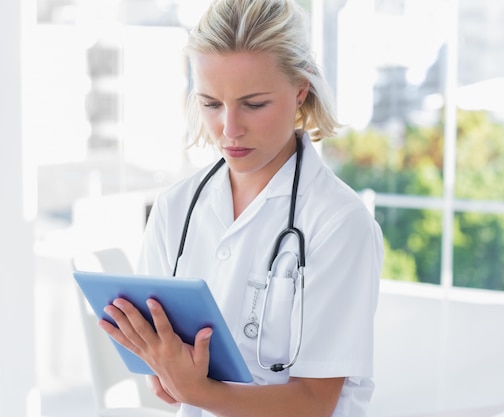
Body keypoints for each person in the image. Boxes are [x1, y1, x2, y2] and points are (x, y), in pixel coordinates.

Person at [98, 0, 384, 416]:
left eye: (253, 104)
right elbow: (161, 372)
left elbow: (314, 402)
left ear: (300, 90)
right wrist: (161, 367)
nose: (229, 129)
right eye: (211, 104)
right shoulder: (175, 207)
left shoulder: (338, 221)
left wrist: (198, 390)